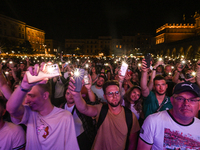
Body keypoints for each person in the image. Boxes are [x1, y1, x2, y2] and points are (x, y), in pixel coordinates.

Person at [6, 63, 79, 150]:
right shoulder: (30, 113)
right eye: (26, 96)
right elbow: (11, 109)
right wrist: (24, 85)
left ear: (45, 96)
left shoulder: (65, 116)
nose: (26, 100)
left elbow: (71, 147)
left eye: (31, 96)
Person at [68, 79, 140, 150]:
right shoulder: (101, 109)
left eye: (117, 92)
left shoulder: (130, 116)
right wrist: (76, 95)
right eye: (110, 93)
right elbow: (84, 109)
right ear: (105, 96)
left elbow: (132, 143)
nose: (114, 96)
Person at [137, 81, 200, 149]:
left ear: (199, 105)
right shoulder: (153, 121)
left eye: (193, 100)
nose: (186, 103)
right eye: (180, 98)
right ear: (172, 101)